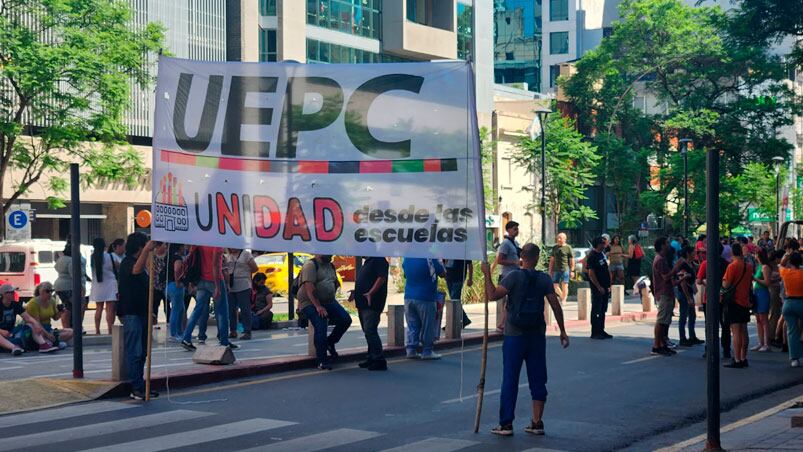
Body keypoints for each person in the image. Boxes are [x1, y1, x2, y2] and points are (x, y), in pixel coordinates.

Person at [481, 244, 569, 437]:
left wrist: (487, 273)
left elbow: (492, 295)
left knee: (510, 379)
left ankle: (506, 424)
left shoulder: (513, 276)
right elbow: (555, 304)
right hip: (537, 334)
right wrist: (562, 330)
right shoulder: (544, 279)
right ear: (537, 258)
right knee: (538, 378)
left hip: (514, 334)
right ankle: (537, 422)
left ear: (522, 256)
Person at [117, 233, 159, 400]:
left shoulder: (141, 265)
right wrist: (147, 251)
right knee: (135, 351)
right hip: (131, 313)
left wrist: (152, 311)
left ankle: (141, 385)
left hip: (142, 312)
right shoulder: (128, 263)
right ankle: (136, 387)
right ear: (140, 247)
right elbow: (136, 270)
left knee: (142, 352)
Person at [298, 255, 351, 370]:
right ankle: (322, 360)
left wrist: (331, 293)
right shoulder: (310, 265)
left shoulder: (330, 265)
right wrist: (318, 306)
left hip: (329, 300)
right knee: (321, 325)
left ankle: (329, 343)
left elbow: (335, 282)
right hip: (310, 302)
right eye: (327, 254)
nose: (330, 256)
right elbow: (309, 287)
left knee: (345, 319)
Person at [181, 246, 236, 351]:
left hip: (201, 280)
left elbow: (191, 259)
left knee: (197, 310)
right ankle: (224, 341)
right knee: (222, 312)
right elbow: (215, 265)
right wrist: (217, 287)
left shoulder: (199, 242)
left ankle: (186, 338)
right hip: (214, 279)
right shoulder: (216, 245)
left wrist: (191, 282)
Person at [402, 257, 446, 360]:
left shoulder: (407, 257)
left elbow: (405, 275)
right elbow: (443, 273)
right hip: (426, 297)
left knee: (412, 325)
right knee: (428, 326)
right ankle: (427, 351)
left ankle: (411, 350)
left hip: (409, 296)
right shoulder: (430, 258)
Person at [351, 256, 389, 371]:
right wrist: (355, 292)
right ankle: (371, 357)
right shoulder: (368, 262)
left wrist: (371, 293)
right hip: (362, 302)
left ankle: (379, 359)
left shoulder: (379, 260)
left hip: (372, 303)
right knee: (367, 331)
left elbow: (382, 277)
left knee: (370, 330)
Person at [1, 283, 58, 354]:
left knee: (31, 324)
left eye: (14, 292)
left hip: (11, 331)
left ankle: (43, 345)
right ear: (4, 294)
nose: (14, 293)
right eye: (11, 292)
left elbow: (27, 317)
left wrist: (36, 324)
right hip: (2, 333)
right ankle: (14, 348)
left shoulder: (15, 304)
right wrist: (1, 331)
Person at [721, 242, 753, 368]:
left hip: (734, 301)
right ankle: (744, 357)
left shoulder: (732, 266)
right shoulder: (749, 266)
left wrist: (723, 281)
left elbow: (726, 285)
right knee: (744, 331)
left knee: (736, 331)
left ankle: (737, 359)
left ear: (732, 253)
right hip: (745, 300)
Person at [652, 237, 678, 356]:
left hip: (667, 292)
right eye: (666, 243)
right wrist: (676, 267)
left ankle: (662, 344)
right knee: (661, 320)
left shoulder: (662, 259)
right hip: (664, 293)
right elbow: (666, 277)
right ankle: (657, 345)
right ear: (662, 246)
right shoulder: (660, 260)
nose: (669, 245)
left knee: (665, 320)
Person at [25, 282, 74, 346]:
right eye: (47, 291)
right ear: (41, 292)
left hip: (48, 328)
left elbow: (55, 318)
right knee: (41, 333)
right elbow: (37, 323)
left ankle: (51, 341)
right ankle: (49, 342)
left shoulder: (52, 300)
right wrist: (47, 334)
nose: (50, 293)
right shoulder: (33, 303)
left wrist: (61, 312)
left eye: (52, 291)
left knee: (71, 331)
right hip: (36, 329)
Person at [225, 248, 258, 340]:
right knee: (231, 309)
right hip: (231, 286)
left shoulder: (246, 254)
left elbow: (255, 268)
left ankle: (247, 331)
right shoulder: (228, 255)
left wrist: (245, 273)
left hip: (243, 285)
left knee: (245, 309)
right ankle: (233, 330)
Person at [54, 243, 88, 329]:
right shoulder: (71, 260)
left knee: (68, 308)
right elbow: (74, 275)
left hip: (59, 286)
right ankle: (75, 327)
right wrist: (81, 288)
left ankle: (67, 328)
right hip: (70, 286)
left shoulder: (61, 259)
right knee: (77, 307)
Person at [89, 237, 118, 335]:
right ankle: (110, 330)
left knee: (99, 308)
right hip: (109, 283)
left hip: (97, 284)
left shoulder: (92, 257)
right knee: (109, 309)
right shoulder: (110, 256)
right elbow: (117, 266)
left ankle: (97, 330)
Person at [779, 250, 803, 367]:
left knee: (792, 331)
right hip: (801, 302)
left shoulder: (786, 272)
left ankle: (794, 358)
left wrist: (786, 256)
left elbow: (781, 265)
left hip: (788, 303)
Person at [675, 246, 702, 346]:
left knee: (692, 315)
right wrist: (688, 297)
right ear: (688, 253)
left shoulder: (690, 264)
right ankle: (683, 338)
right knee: (683, 316)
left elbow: (698, 267)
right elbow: (683, 283)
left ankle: (692, 336)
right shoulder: (683, 265)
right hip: (684, 293)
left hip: (690, 292)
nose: (695, 254)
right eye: (693, 253)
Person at [587, 236, 612, 340]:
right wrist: (598, 286)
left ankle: (601, 330)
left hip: (605, 286)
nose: (604, 245)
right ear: (597, 244)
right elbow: (591, 273)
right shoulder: (592, 255)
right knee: (597, 309)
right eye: (602, 243)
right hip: (598, 287)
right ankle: (595, 331)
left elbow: (606, 268)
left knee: (603, 309)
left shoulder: (602, 254)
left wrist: (609, 285)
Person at [751, 248, 773, 352]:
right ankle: (761, 342)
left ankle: (766, 343)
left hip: (763, 293)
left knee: (764, 319)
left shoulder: (765, 267)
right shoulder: (759, 266)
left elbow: (767, 283)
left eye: (756, 254)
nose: (754, 256)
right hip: (757, 293)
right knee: (758, 319)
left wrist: (755, 279)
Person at [165, 244, 187, 341]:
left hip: (169, 285)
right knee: (176, 309)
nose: (185, 248)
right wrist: (178, 281)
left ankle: (179, 332)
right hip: (175, 285)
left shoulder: (169, 257)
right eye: (183, 247)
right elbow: (177, 269)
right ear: (180, 247)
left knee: (180, 309)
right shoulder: (177, 258)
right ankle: (174, 334)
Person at [444, 259, 473, 328]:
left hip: (459, 277)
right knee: (453, 300)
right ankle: (464, 319)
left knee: (454, 299)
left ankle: (452, 324)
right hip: (449, 276)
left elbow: (470, 264)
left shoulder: (462, 249)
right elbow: (444, 261)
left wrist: (470, 278)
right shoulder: (447, 248)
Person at [548, 233, 574, 305]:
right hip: (556, 269)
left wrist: (572, 271)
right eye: (558, 238)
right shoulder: (555, 248)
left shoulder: (568, 248)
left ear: (564, 239)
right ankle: (562, 296)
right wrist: (550, 270)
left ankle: (564, 300)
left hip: (565, 269)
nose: (558, 239)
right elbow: (552, 260)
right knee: (554, 285)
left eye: (560, 238)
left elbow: (571, 260)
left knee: (564, 285)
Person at [150, 242, 168, 329]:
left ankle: (169, 322)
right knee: (154, 306)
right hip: (155, 285)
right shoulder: (152, 256)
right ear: (158, 246)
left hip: (165, 285)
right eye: (164, 245)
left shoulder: (168, 256)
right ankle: (154, 324)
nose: (165, 246)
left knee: (167, 306)